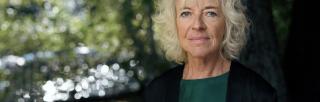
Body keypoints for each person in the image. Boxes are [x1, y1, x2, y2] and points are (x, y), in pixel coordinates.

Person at [144, 0, 277, 102]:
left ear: (227, 22)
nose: (197, 25)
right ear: (174, 23)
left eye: (210, 13)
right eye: (186, 13)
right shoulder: (156, 92)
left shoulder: (258, 93)